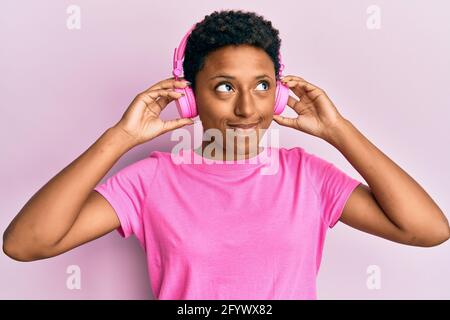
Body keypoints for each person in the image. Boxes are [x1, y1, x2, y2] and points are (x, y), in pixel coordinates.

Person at [3, 9, 449, 300]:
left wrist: (339, 131)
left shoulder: (307, 176)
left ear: (278, 94)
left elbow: (428, 230)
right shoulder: (150, 181)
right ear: (190, 96)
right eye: (223, 87)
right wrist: (120, 137)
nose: (246, 108)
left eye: (261, 86)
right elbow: (25, 244)